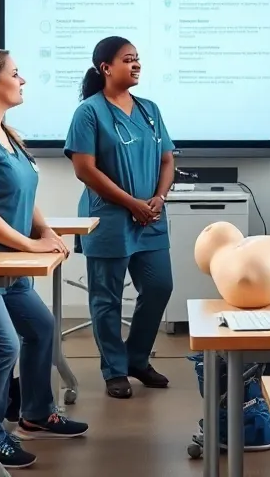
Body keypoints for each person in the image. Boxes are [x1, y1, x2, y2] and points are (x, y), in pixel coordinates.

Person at [0, 49, 88, 458]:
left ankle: (36, 414)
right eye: (16, 73)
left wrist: (45, 229)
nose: (23, 80)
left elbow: (24, 195)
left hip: (8, 264)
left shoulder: (6, 134)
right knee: (1, 348)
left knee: (42, 328)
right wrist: (30, 244)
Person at [65, 36, 176, 399]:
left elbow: (167, 159)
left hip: (151, 216)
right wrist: (131, 203)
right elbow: (85, 170)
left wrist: (158, 198)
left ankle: (136, 359)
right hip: (110, 218)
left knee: (160, 287)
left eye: (138, 59)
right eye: (128, 59)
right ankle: (114, 369)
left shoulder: (150, 110)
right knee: (106, 298)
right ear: (106, 68)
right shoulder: (89, 112)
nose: (136, 64)